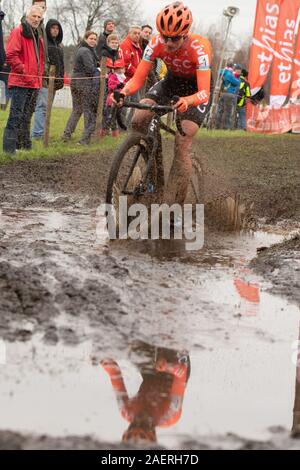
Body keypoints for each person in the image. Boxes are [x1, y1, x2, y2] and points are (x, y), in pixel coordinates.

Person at [115, 2, 212, 205]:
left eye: (174, 38)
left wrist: (188, 100)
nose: (168, 42)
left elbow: (204, 92)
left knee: (182, 143)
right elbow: (138, 78)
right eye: (164, 36)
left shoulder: (200, 48)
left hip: (194, 90)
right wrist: (123, 92)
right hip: (171, 82)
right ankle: (153, 172)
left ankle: (176, 205)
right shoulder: (155, 43)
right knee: (139, 119)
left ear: (185, 34)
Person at [100, 342, 190, 445]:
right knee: (173, 343)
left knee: (134, 345)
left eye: (134, 423)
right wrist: (168, 367)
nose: (141, 417)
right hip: (174, 371)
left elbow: (114, 372)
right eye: (144, 424)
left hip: (150, 374)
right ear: (153, 431)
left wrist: (101, 358)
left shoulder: (125, 411)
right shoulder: (170, 416)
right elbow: (182, 371)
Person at [3, 5, 44, 154]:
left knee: (26, 116)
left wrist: (37, 77)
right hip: (21, 81)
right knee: (15, 116)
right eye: (34, 16)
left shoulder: (36, 35)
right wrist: (24, 71)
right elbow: (11, 55)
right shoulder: (18, 31)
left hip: (33, 82)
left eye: (39, 17)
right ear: (27, 16)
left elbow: (39, 60)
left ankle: (20, 146)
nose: (36, 19)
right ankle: (8, 150)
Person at [62, 31, 99, 145]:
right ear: (86, 39)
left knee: (77, 110)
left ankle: (66, 134)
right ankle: (85, 138)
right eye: (91, 38)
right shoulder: (86, 51)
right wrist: (99, 71)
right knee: (87, 110)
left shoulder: (83, 49)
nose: (93, 41)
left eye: (94, 39)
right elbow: (89, 68)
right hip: (84, 83)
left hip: (75, 82)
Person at [32, 18, 64, 138]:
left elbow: (61, 64)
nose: (55, 31)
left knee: (47, 107)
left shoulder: (59, 45)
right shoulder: (44, 44)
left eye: (57, 28)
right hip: (45, 80)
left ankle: (43, 133)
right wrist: (45, 76)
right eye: (53, 28)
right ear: (48, 29)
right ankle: (37, 134)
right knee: (42, 106)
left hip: (55, 81)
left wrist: (60, 79)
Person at [100, 33, 125, 137]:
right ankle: (103, 132)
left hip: (116, 89)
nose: (114, 44)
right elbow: (104, 67)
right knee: (108, 112)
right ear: (108, 43)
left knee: (113, 112)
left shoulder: (117, 53)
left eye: (116, 42)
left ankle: (113, 132)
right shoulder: (105, 52)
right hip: (107, 87)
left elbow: (120, 67)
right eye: (112, 42)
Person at [216, 61, 240, 130]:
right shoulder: (229, 74)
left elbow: (219, 71)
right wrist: (237, 76)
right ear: (232, 67)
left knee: (220, 110)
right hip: (229, 94)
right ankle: (226, 127)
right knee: (228, 112)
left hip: (222, 93)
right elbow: (237, 83)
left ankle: (217, 126)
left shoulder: (223, 72)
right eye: (233, 67)